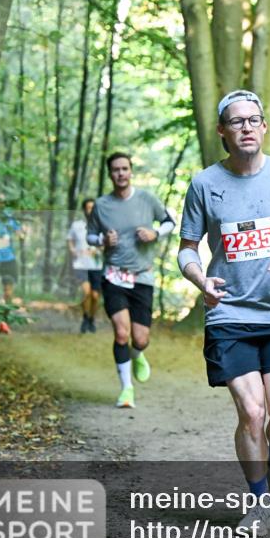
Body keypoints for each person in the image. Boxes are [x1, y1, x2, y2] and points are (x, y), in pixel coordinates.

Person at [178, 90, 270, 530]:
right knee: (252, 413)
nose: (246, 127)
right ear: (222, 130)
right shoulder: (204, 184)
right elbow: (186, 249)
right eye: (236, 121)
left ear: (263, 127)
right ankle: (258, 502)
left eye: (253, 120)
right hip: (229, 317)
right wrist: (200, 280)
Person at [87, 153, 176, 409]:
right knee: (121, 333)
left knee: (140, 339)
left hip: (142, 276)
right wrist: (102, 240)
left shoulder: (147, 199)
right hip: (114, 275)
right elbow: (90, 236)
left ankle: (138, 354)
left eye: (125, 169)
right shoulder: (101, 205)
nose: (121, 173)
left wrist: (155, 232)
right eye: (116, 170)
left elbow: (170, 222)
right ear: (110, 174)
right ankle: (126, 389)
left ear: (131, 171)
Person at [68, 198, 103, 333]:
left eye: (93, 208)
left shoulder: (102, 225)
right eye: (88, 208)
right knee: (86, 292)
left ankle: (91, 318)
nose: (91, 211)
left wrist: (99, 250)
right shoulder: (76, 225)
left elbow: (106, 243)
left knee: (95, 296)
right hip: (80, 265)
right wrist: (73, 250)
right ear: (84, 210)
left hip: (96, 265)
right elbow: (70, 239)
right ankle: (85, 318)